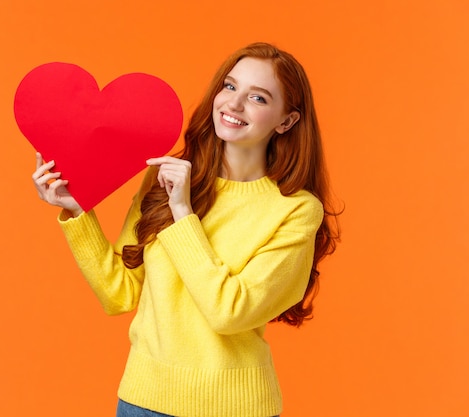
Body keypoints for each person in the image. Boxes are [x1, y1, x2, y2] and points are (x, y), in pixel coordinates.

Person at [32, 42, 340, 417]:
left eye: (257, 97)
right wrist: (78, 210)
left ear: (286, 121)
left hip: (236, 409)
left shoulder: (295, 210)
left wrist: (183, 212)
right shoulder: (164, 178)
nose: (234, 104)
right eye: (229, 87)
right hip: (142, 402)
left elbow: (230, 312)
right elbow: (119, 292)